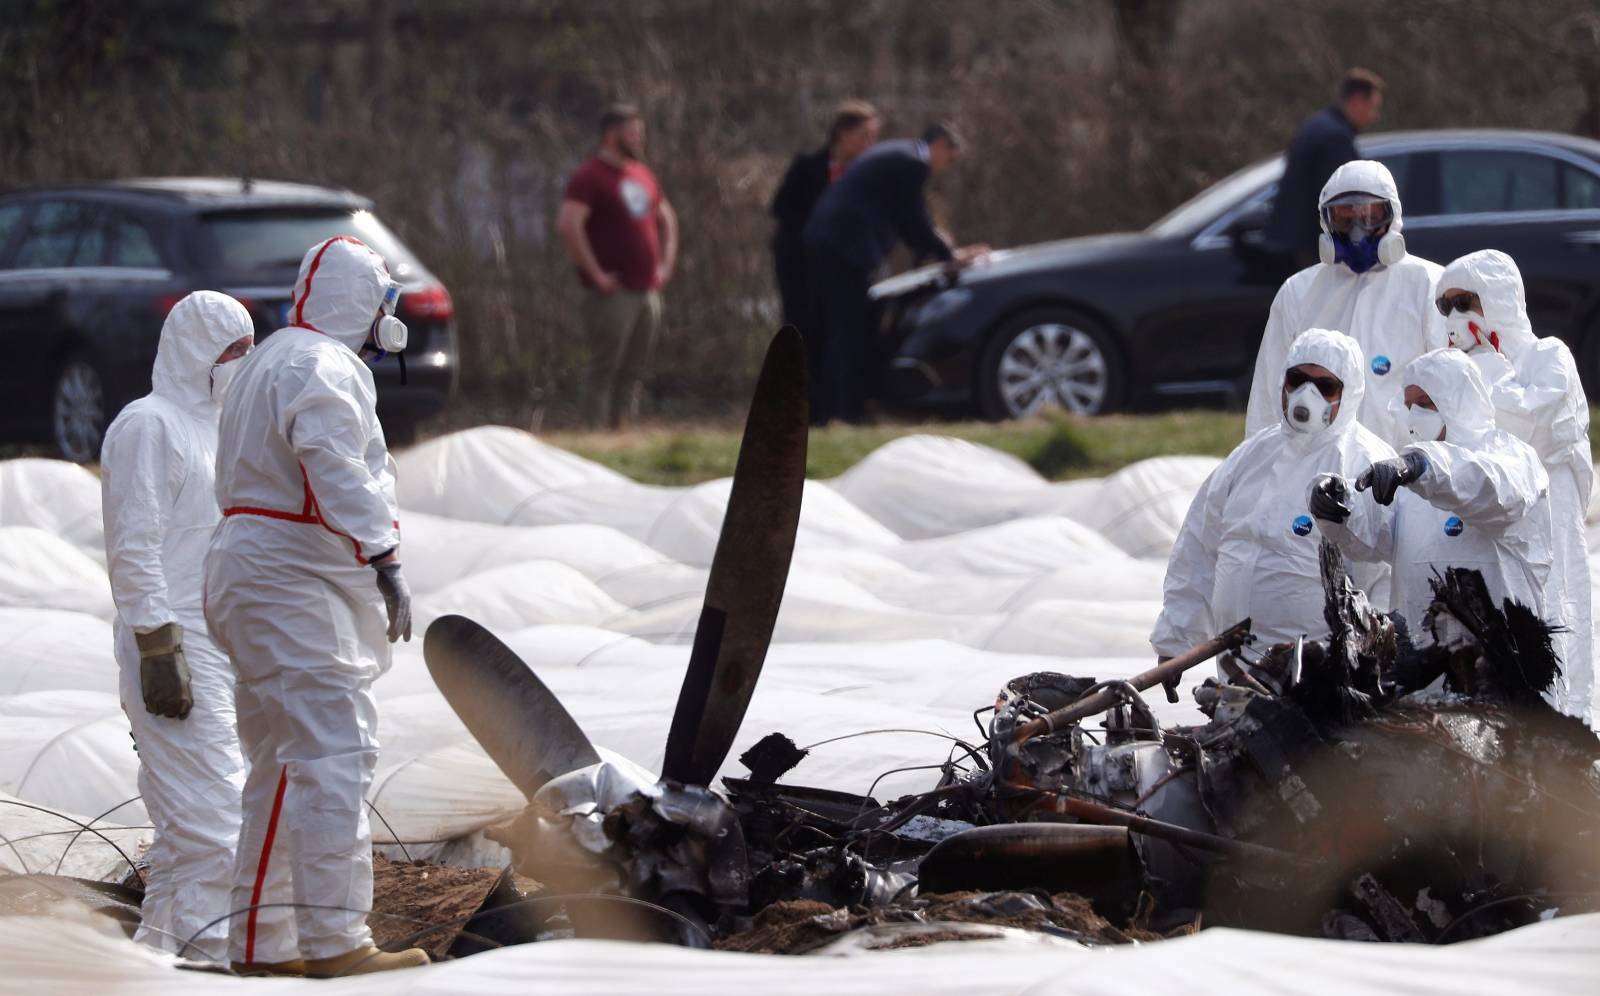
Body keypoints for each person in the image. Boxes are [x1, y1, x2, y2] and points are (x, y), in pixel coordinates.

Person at [204, 236, 425, 978]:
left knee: (279, 762)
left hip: (247, 571)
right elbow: (332, 461)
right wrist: (383, 555)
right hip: (290, 581)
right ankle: (337, 943)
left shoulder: (271, 357)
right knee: (335, 755)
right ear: (364, 301)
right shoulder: (323, 366)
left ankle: (262, 947)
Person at [100, 291, 254, 961]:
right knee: (219, 825)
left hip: (222, 645)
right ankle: (212, 965)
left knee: (187, 838)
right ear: (194, 352)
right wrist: (156, 644)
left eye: (248, 351)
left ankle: (159, 962)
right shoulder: (148, 425)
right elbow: (134, 542)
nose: (240, 365)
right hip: (172, 648)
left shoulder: (224, 430)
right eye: (229, 352)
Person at [1153, 329, 1395, 665]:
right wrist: (1176, 641)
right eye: (1298, 380)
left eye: (1325, 387)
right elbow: (1198, 548)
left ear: (1349, 393)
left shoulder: (1365, 467)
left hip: (1321, 672)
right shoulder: (1250, 456)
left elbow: (1384, 578)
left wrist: (1367, 662)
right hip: (1238, 665)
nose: (1308, 395)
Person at [1310, 349, 1553, 675]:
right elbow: (1376, 531)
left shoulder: (1511, 458)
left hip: (1500, 670)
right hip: (1423, 671)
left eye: (1424, 404)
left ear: (1457, 401)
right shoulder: (1414, 478)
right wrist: (1339, 507)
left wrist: (1420, 467)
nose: (1413, 415)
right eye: (1409, 406)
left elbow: (1488, 490)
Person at [1434, 249, 1592, 721]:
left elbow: (1531, 425)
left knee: (1552, 621)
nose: (1455, 316)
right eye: (1445, 306)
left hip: (1547, 514)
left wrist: (1486, 366)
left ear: (1498, 299)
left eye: (1466, 301)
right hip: (1487, 522)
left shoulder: (1549, 356)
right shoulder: (1457, 366)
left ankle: (1565, 728)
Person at [1246, 159, 1444, 449]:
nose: (1357, 230)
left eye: (1369, 215)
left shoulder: (1429, 285)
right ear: (1327, 221)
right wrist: (1259, 468)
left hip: (1403, 474)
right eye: (1344, 217)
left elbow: (1453, 394)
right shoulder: (1299, 292)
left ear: (1392, 215)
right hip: (1315, 470)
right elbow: (1268, 398)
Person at [803, 122, 988, 424]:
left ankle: (837, 410)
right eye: (950, 158)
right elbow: (913, 218)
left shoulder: (900, 154)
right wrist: (949, 255)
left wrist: (937, 246)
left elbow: (911, 220)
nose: (946, 166)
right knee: (850, 329)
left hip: (832, 246)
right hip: (842, 249)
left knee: (845, 327)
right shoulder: (913, 163)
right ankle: (844, 413)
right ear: (940, 145)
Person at [556, 102, 679, 428]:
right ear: (612, 134)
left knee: (635, 368)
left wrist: (665, 265)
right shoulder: (589, 177)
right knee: (605, 365)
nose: (640, 140)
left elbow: (666, 217)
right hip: (613, 291)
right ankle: (593, 432)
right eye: (633, 133)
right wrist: (595, 274)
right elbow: (569, 225)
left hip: (646, 290)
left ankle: (623, 429)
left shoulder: (643, 174)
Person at [770, 99, 880, 396]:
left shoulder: (866, 174)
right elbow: (781, 208)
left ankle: (835, 401)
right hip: (801, 264)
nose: (870, 144)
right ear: (843, 133)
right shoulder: (809, 166)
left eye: (874, 138)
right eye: (864, 136)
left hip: (841, 267)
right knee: (803, 330)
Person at [1265, 68, 1384, 269]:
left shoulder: (1319, 125)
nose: (1374, 116)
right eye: (1372, 107)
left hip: (1296, 239)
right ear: (1356, 101)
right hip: (1312, 243)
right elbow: (1342, 197)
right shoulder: (1335, 138)